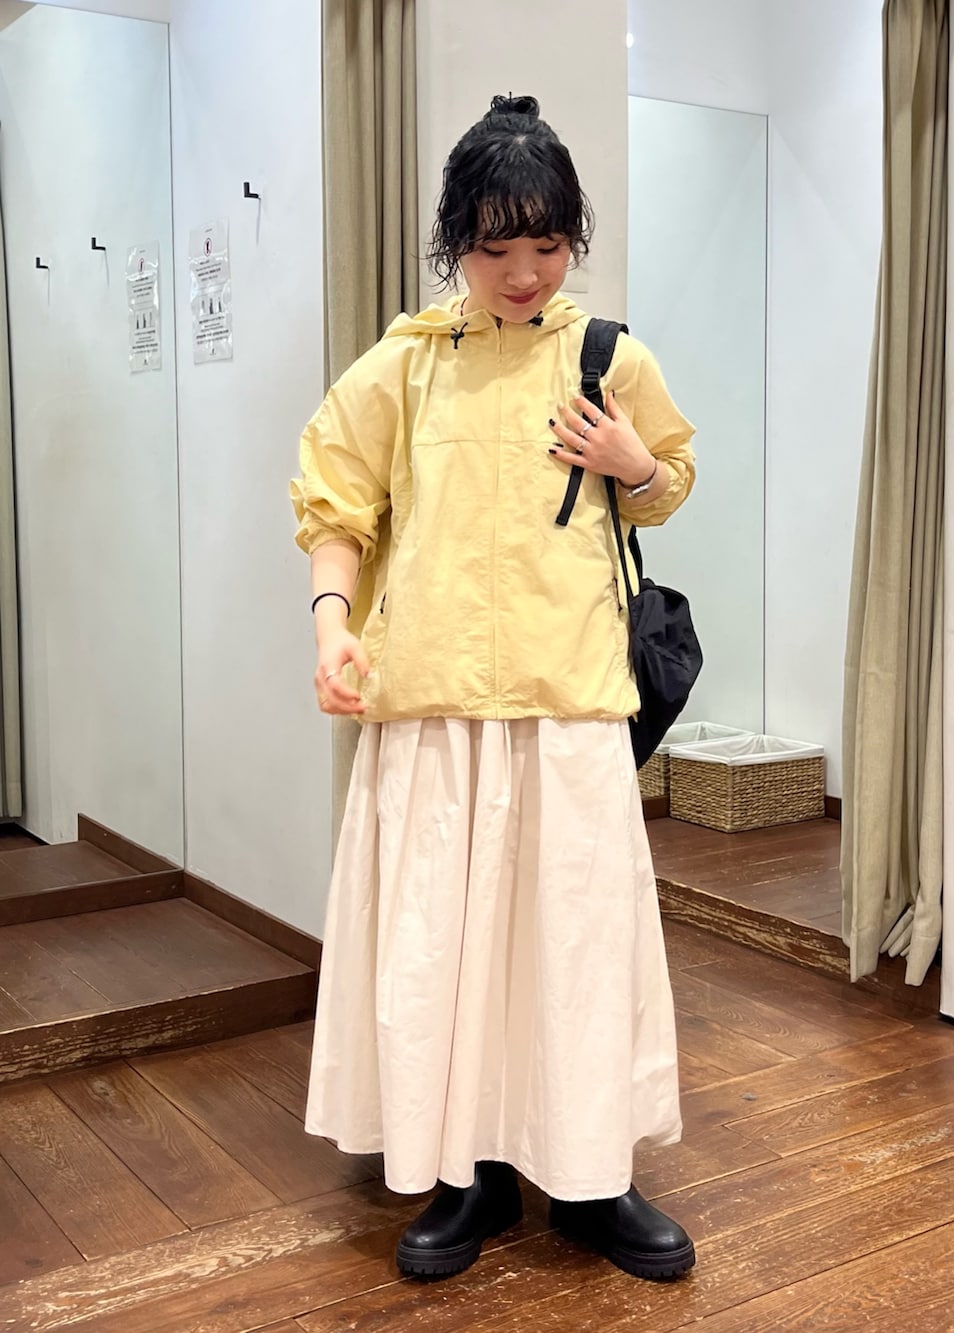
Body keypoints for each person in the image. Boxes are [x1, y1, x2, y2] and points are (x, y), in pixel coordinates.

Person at [291, 94, 697, 1284]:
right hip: (433, 704)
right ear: (454, 242)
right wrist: (331, 624)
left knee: (575, 948)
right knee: (445, 951)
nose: (522, 273)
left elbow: (669, 480)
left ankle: (594, 1177)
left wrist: (631, 461)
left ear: (574, 238)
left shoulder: (609, 357)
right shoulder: (408, 365)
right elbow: (335, 500)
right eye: (494, 246)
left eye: (546, 245)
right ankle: (465, 1172)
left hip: (569, 697)